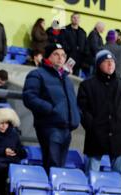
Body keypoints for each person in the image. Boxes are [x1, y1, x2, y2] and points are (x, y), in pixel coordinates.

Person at [22, 43, 80, 171]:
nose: (61, 58)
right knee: (52, 165)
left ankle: (56, 190)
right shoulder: (37, 74)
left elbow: (72, 102)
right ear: (48, 56)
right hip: (49, 126)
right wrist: (50, 109)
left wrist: (76, 115)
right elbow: (29, 97)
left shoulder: (66, 79)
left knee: (60, 166)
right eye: (56, 54)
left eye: (63, 55)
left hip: (67, 128)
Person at [77, 50, 121, 176]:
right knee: (92, 175)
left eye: (112, 61)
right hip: (95, 136)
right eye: (106, 61)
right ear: (98, 64)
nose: (110, 64)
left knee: (118, 177)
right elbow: (82, 109)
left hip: (119, 135)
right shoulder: (87, 85)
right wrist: (91, 125)